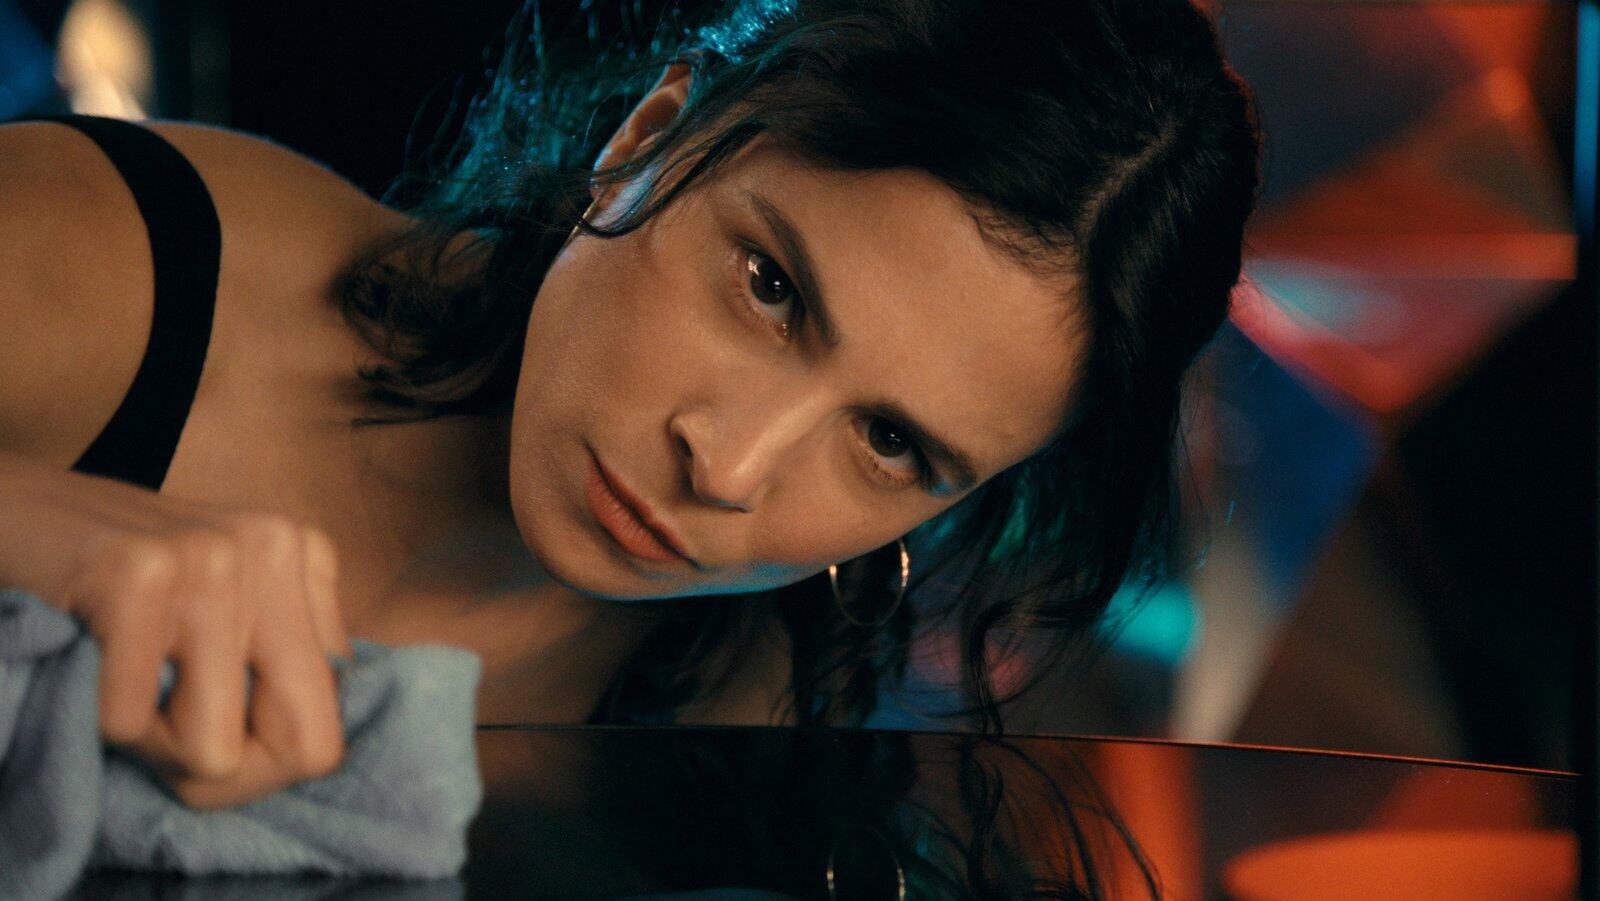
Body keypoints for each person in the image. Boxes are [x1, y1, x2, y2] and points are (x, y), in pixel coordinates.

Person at [0, 0, 1261, 811]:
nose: (729, 467)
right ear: (648, 134)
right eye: (770, 288)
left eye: (890, 443)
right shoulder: (119, 265)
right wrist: (37, 525)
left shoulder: (740, 722)